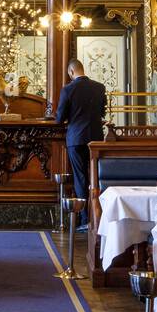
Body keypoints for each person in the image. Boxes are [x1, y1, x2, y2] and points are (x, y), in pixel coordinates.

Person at [55, 60, 107, 229]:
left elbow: (59, 118)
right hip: (96, 140)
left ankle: (86, 220)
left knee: (80, 179)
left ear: (71, 72)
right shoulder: (99, 87)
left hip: (76, 139)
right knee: (96, 178)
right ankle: (99, 218)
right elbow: (102, 112)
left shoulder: (68, 89)